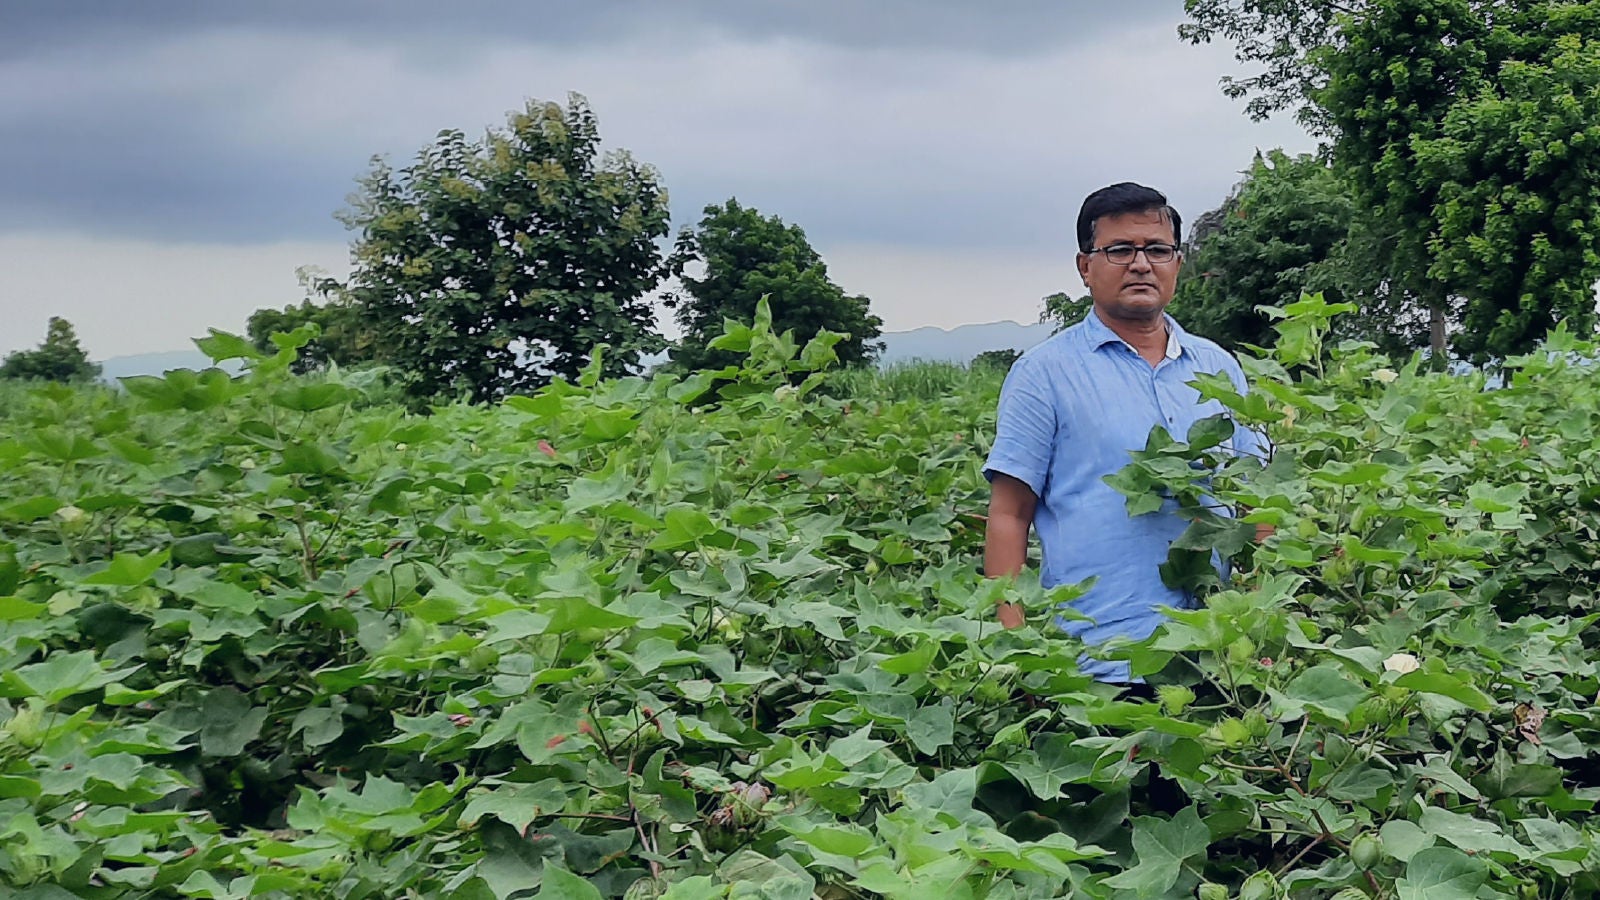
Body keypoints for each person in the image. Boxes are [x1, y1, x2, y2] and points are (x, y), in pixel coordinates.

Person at [982, 182, 1262, 683]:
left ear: (1177, 263)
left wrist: (1264, 613)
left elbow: (1256, 500)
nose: (1140, 264)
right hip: (1097, 659)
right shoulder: (1043, 373)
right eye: (1119, 250)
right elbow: (1009, 514)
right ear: (1085, 267)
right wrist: (1015, 645)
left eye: (1157, 249)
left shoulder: (1218, 367)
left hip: (1219, 655)